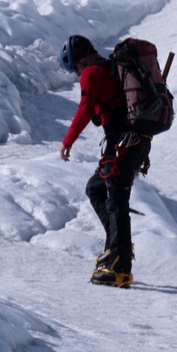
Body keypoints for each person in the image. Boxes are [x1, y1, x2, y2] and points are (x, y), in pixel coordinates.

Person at [60, 34, 146, 287]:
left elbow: (85, 109)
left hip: (122, 142)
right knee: (96, 188)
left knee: (117, 200)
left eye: (74, 68)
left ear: (78, 60)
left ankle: (119, 268)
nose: (77, 74)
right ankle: (116, 246)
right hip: (134, 142)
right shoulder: (110, 68)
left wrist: (67, 141)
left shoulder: (92, 72)